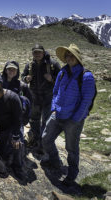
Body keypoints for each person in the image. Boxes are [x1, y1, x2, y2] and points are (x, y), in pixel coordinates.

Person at [41, 44, 96, 187]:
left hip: (73, 119)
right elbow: (55, 92)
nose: (69, 58)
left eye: (72, 55)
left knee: (71, 148)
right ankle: (55, 161)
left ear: (77, 58)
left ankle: (72, 174)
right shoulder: (62, 72)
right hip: (57, 114)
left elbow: (86, 100)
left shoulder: (86, 76)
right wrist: (53, 108)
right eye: (67, 55)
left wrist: (76, 119)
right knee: (46, 138)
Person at [0, 71, 25, 179]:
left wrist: (16, 135)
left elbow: (18, 118)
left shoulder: (13, 97)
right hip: (0, 127)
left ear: (1, 82)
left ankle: (18, 167)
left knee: (17, 144)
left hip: (14, 126)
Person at [21, 44, 60, 152]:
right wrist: (26, 78)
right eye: (35, 52)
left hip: (48, 97)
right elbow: (22, 77)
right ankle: (36, 140)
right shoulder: (29, 65)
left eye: (39, 52)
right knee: (34, 120)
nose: (37, 54)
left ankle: (44, 143)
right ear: (32, 53)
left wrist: (52, 79)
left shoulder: (52, 64)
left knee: (46, 121)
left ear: (43, 52)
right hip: (34, 97)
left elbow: (61, 79)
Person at [2, 60, 33, 127]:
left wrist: (26, 118)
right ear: (5, 70)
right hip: (2, 118)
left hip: (17, 119)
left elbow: (29, 102)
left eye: (14, 69)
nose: (11, 71)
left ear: (17, 71)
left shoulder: (22, 86)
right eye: (9, 69)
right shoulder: (0, 84)